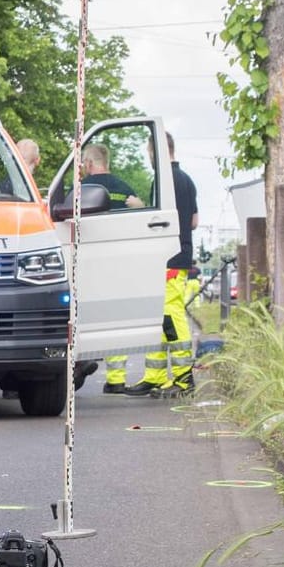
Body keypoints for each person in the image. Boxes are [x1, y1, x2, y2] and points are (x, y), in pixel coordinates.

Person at [124, 132, 199, 398]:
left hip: (170, 256)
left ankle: (183, 376)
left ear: (157, 150)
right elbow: (193, 221)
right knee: (160, 317)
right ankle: (155, 376)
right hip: (177, 255)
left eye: (148, 153)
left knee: (170, 315)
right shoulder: (186, 180)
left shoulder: (167, 181)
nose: (148, 159)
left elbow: (160, 218)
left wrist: (139, 206)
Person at [78, 143, 147, 393]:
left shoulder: (80, 189)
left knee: (82, 315)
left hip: (87, 261)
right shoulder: (124, 188)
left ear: (88, 163)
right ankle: (116, 379)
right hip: (118, 262)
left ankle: (80, 361)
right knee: (114, 319)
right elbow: (139, 219)